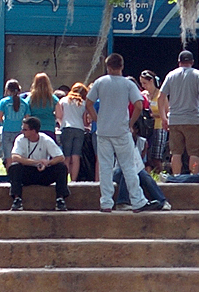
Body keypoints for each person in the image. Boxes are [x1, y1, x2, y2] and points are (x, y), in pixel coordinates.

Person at [85, 53, 152, 213]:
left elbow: (88, 103)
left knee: (105, 167)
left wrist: (97, 119)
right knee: (128, 167)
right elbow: (139, 105)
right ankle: (137, 200)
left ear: (108, 67)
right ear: (122, 66)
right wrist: (130, 123)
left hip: (103, 131)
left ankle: (106, 202)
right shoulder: (128, 84)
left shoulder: (100, 82)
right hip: (121, 131)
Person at [5, 116, 70, 211]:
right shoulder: (20, 139)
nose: (22, 131)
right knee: (14, 167)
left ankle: (60, 199)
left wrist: (48, 163)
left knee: (61, 167)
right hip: (28, 172)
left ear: (33, 131)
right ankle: (17, 199)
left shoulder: (46, 139)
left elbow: (60, 157)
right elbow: (15, 157)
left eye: (25, 129)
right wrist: (36, 162)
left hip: (43, 173)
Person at [159, 50, 199, 174]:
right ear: (192, 62)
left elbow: (161, 97)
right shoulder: (197, 75)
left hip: (174, 119)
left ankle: (176, 177)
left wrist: (163, 118)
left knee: (176, 153)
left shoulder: (171, 75)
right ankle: (194, 176)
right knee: (194, 153)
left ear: (179, 62)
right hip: (193, 119)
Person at [0, 79, 29, 180]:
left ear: (7, 90)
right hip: (19, 132)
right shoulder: (24, 103)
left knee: (8, 156)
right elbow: (27, 118)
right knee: (18, 155)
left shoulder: (4, 102)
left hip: (7, 131)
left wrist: (5, 121)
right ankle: (19, 177)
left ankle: (11, 177)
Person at [56, 83, 89, 181]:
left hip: (66, 128)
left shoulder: (63, 100)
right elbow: (85, 122)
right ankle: (74, 181)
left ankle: (64, 180)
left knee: (66, 156)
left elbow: (59, 115)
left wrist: (62, 123)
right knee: (76, 157)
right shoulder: (83, 103)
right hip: (79, 130)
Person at [137, 71, 167, 170]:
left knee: (156, 156)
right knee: (147, 155)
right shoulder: (143, 95)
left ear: (151, 81)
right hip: (146, 128)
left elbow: (167, 111)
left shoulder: (160, 95)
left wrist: (153, 115)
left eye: (145, 83)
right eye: (141, 83)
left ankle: (159, 175)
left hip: (158, 127)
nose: (143, 86)